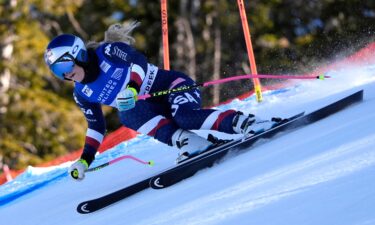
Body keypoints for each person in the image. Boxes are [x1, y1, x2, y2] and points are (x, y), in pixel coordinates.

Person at [44, 22, 279, 180]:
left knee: (185, 116)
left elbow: (138, 62)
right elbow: (96, 127)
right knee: (127, 114)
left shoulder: (107, 52)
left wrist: (133, 88)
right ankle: (190, 142)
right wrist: (84, 160)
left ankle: (247, 123)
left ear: (79, 54)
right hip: (152, 108)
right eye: (57, 71)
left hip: (172, 86)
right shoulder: (82, 92)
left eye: (65, 65)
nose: (65, 74)